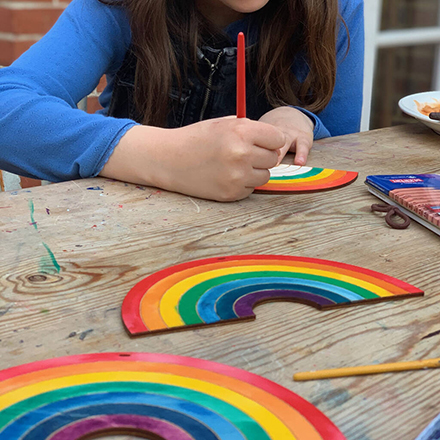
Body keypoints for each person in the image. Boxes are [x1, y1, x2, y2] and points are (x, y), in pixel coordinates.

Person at [0, 0, 364, 201]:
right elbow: (7, 107)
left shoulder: (335, 9)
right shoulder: (117, 7)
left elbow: (349, 158)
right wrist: (168, 157)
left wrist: (302, 120)